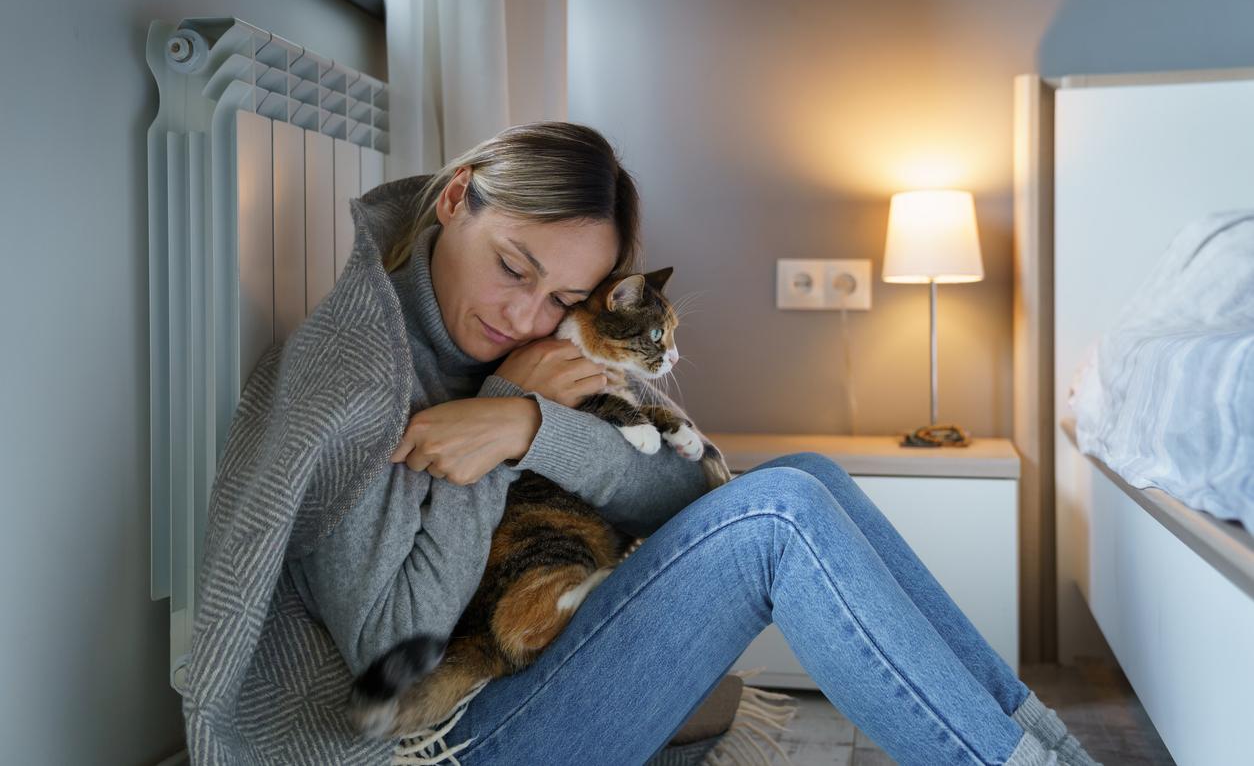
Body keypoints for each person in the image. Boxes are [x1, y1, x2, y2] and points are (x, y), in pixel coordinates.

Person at [287, 122, 1097, 766]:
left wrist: (528, 425)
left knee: (802, 475)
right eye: (512, 266)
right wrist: (508, 415)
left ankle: (1047, 749)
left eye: (564, 297)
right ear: (455, 197)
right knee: (777, 515)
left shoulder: (515, 357)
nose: (528, 314)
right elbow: (390, 648)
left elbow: (687, 496)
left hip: (533, 670)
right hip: (459, 735)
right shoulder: (360, 378)